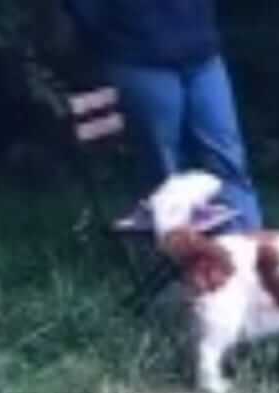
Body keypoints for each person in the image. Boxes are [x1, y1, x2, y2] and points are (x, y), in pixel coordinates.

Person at [63, 0, 263, 233]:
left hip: (202, 50)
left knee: (229, 163)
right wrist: (117, 31)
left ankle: (246, 254)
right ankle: (182, 260)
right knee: (165, 175)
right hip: (139, 58)